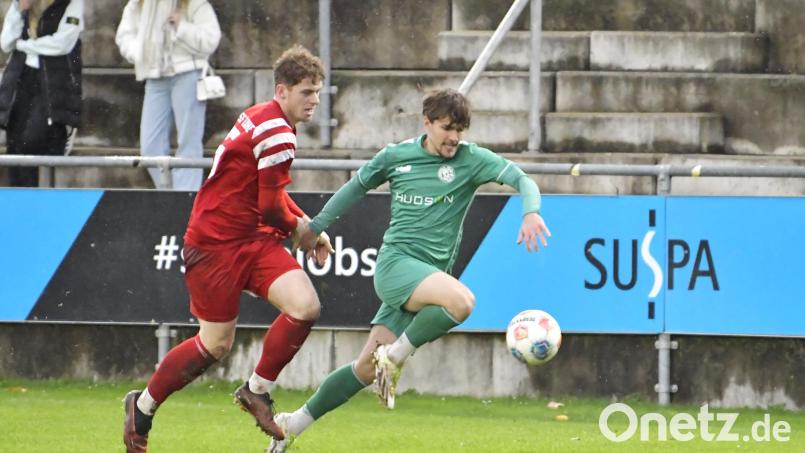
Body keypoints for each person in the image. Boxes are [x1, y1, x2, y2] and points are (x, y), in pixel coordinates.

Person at [268, 88, 552, 452]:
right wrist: (316, 226)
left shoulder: (471, 160)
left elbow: (524, 180)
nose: (454, 138)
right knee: (462, 302)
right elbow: (354, 189)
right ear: (427, 122)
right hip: (396, 266)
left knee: (365, 370)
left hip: (426, 278)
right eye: (448, 128)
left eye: (460, 130)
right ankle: (396, 356)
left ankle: (293, 424)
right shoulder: (396, 156)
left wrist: (531, 211)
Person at [122, 45, 334, 453]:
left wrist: (307, 227)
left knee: (305, 306)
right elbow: (272, 206)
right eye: (307, 92)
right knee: (215, 344)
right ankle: (143, 407)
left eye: (319, 92)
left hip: (252, 239)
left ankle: (256, 390)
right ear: (282, 90)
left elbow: (269, 196)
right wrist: (302, 231)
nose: (315, 101)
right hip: (215, 244)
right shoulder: (275, 130)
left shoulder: (264, 117)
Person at [115, 0, 221, 191]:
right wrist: (141, 53)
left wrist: (182, 26)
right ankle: (170, 194)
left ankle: (185, 197)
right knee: (149, 146)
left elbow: (211, 39)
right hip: (155, 77)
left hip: (188, 74)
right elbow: (124, 36)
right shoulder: (138, 4)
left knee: (189, 143)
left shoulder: (193, 3)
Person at [0, 0, 83, 187]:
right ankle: (21, 202)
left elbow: (63, 44)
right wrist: (19, 10)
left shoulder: (71, 4)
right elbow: (6, 42)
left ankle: (36, 198)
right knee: (15, 145)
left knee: (34, 141)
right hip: (21, 78)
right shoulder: (21, 4)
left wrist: (24, 45)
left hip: (53, 82)